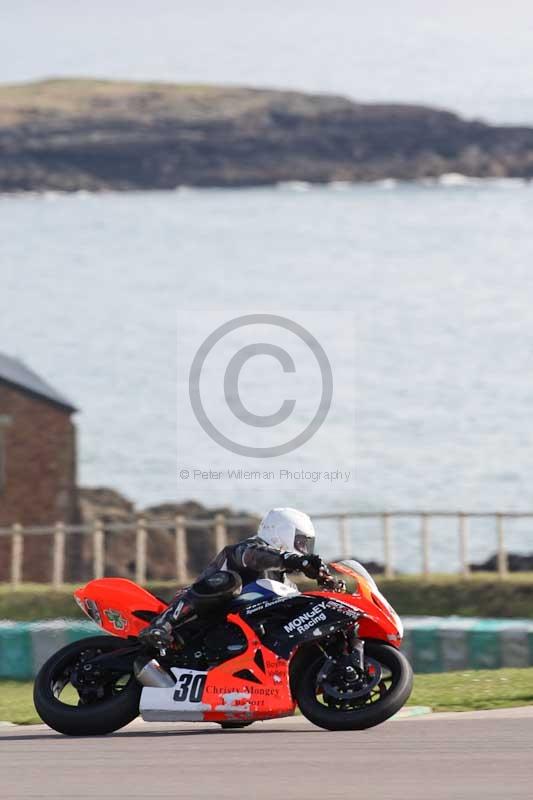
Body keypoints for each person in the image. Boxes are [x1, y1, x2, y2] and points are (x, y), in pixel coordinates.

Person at [139, 507, 329, 649]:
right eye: (300, 542)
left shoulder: (284, 583)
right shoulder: (247, 549)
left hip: (229, 634)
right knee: (229, 581)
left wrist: (329, 585)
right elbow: (258, 557)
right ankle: (162, 625)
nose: (303, 549)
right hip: (196, 617)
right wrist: (296, 560)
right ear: (281, 534)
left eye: (306, 545)